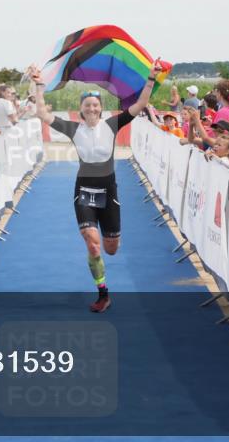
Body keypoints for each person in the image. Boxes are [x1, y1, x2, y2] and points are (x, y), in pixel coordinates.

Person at [30, 60, 162, 313]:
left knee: (111, 249)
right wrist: (39, 86)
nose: (91, 108)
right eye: (87, 105)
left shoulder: (112, 125)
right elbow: (42, 114)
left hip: (109, 190)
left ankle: (107, 247)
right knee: (92, 244)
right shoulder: (72, 128)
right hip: (84, 191)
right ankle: (103, 293)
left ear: (101, 109)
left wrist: (151, 78)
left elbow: (140, 104)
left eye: (95, 104)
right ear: (81, 109)